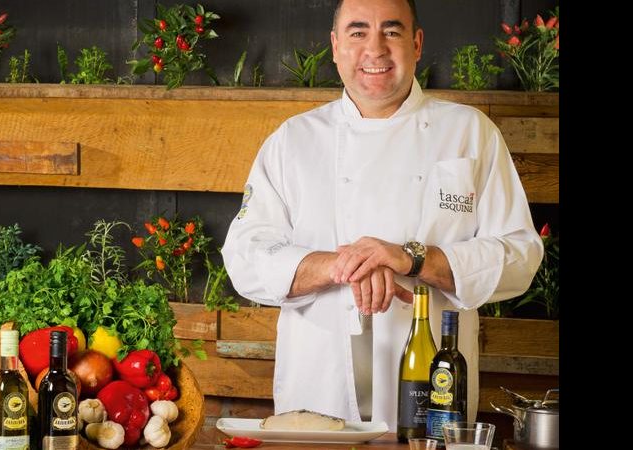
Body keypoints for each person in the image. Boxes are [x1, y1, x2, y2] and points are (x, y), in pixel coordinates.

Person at [220, 0, 544, 431]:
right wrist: (346, 264)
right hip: (318, 387)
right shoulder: (292, 141)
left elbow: (520, 256)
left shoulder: (470, 132)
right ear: (335, 46)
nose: (375, 49)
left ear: (417, 43)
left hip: (435, 387)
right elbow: (245, 256)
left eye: (391, 32)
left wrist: (411, 258)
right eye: (357, 32)